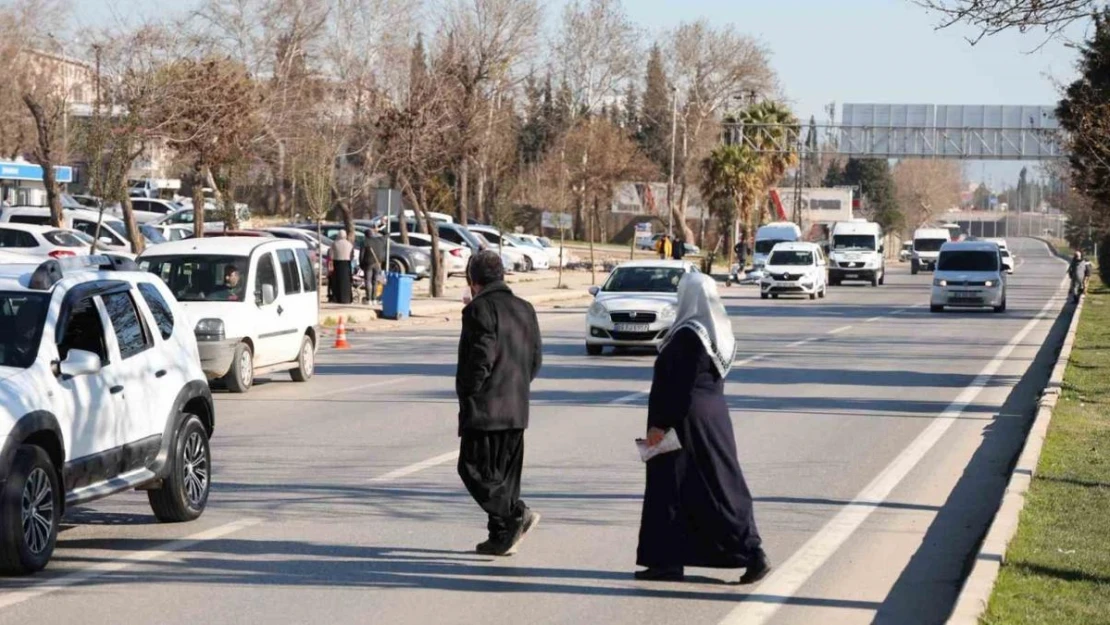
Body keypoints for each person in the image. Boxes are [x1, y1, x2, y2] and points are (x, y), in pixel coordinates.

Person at [635, 272, 770, 584]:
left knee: (689, 486)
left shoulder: (688, 336)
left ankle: (751, 551)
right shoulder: (717, 331)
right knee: (704, 485)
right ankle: (667, 560)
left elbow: (679, 388)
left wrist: (660, 426)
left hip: (685, 422)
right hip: (712, 418)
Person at [456, 250, 543, 556]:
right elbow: (535, 360)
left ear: (473, 281)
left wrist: (469, 391)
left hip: (485, 410)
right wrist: (516, 386)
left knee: (472, 469)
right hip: (516, 407)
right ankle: (501, 536)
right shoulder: (525, 308)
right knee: (503, 476)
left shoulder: (480, 309)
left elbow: (480, 357)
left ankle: (514, 514)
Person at [330, 231, 354, 305]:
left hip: (337, 263)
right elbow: (352, 255)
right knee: (346, 282)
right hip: (347, 264)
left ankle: (337, 297)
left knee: (337, 282)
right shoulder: (349, 244)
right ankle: (347, 298)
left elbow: (331, 255)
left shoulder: (334, 243)